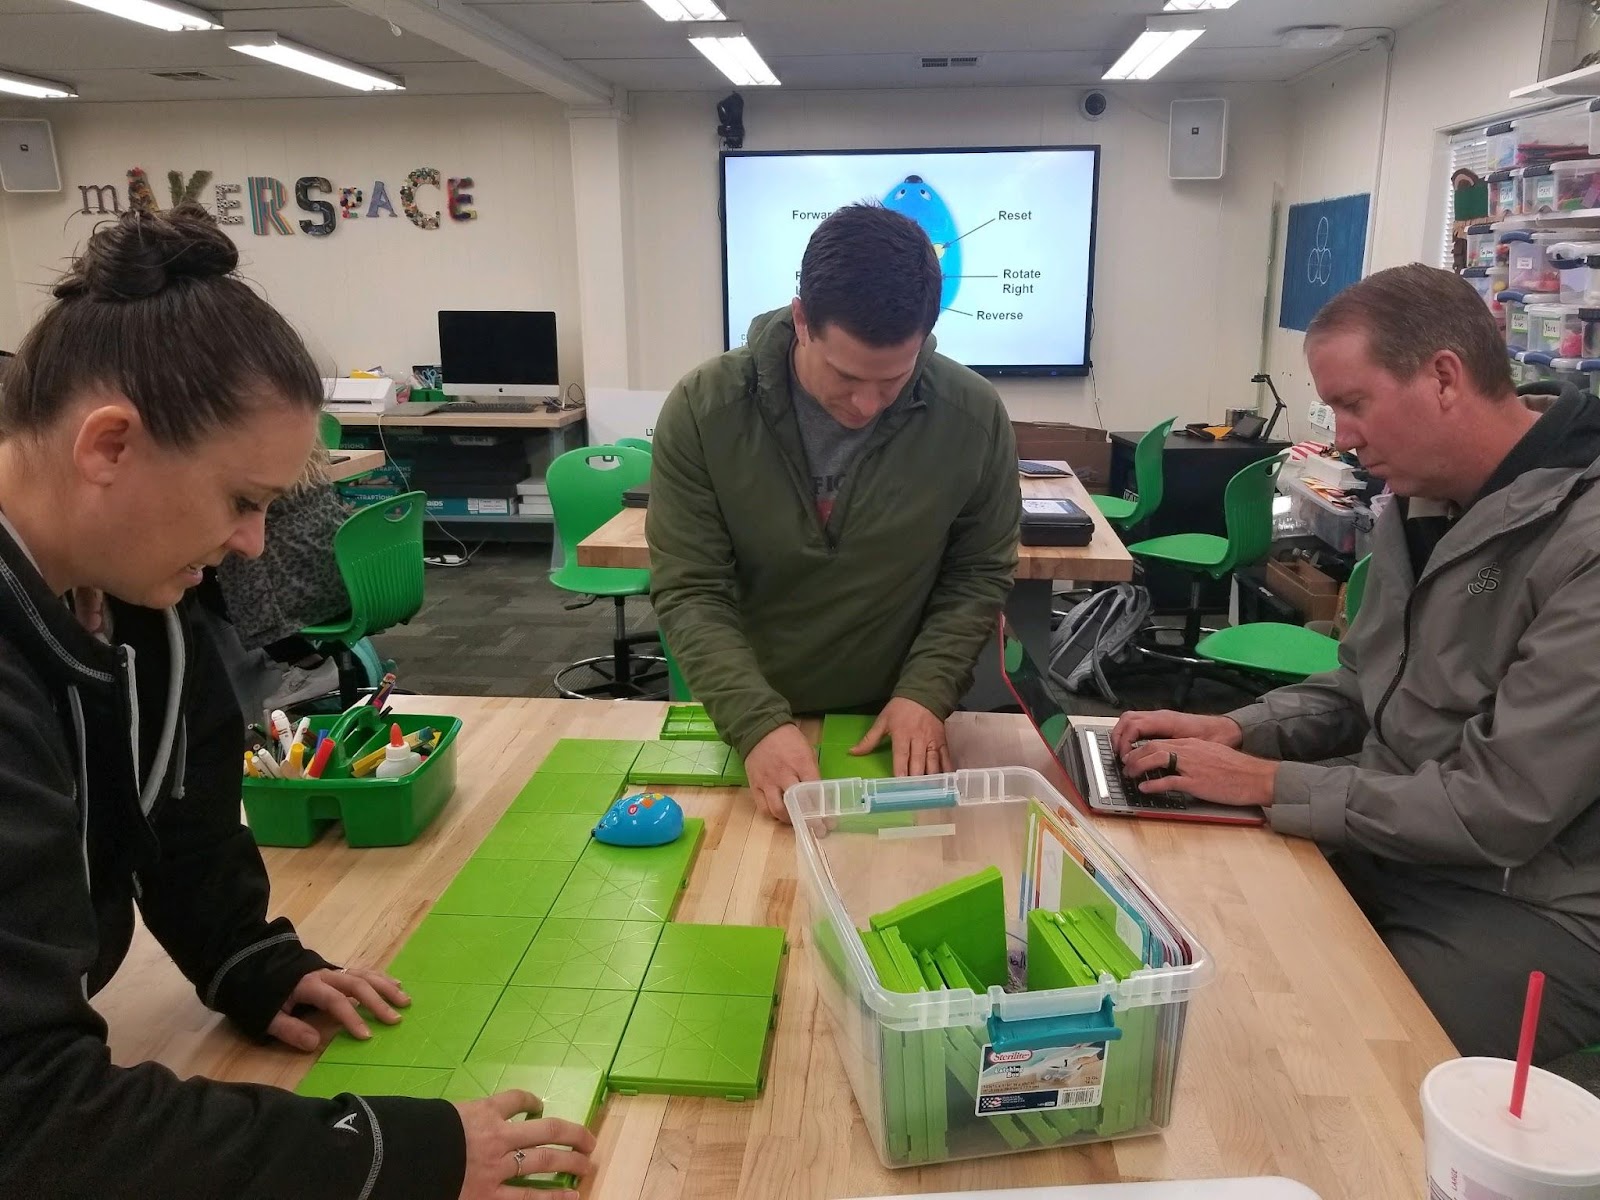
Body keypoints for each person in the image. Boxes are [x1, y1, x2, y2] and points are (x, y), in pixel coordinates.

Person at [0, 205, 595, 1198]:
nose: (253, 543)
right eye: (243, 501)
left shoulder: (140, 591)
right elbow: (29, 1116)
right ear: (109, 446)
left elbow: (181, 814)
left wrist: (243, 955)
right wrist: (389, 1154)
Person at [1113, 263, 1600, 1063]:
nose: (1341, 436)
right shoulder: (1419, 500)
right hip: (1396, 844)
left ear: (1444, 378)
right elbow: (1361, 682)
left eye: (1354, 403)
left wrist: (1269, 783)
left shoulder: (1582, 539)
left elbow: (1500, 808)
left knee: (1331, 1056)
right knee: (1196, 946)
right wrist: (1239, 731)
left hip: (1534, 903)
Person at [647, 203, 1021, 821]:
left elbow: (977, 573)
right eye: (845, 376)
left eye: (893, 379)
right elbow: (691, 587)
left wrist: (927, 691)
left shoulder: (973, 416)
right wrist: (755, 723)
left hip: (894, 714)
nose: (866, 404)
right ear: (801, 320)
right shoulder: (704, 409)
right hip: (750, 713)